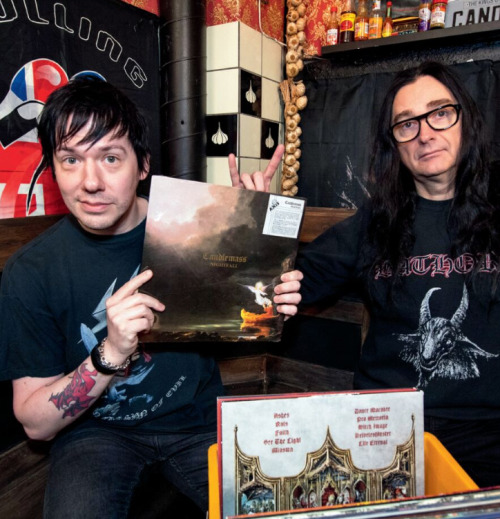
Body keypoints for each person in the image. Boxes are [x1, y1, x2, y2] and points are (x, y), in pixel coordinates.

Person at [0, 77, 302, 518]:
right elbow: (34, 423)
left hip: (199, 421)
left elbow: (248, 319)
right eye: (70, 159)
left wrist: (260, 253)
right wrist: (112, 351)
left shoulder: (193, 228)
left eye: (110, 157)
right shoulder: (32, 271)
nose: (91, 181)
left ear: (143, 166)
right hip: (95, 433)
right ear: (52, 169)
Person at [233, 61, 500, 489]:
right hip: (384, 430)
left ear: (464, 117)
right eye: (406, 124)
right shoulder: (377, 222)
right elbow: (285, 285)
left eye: (440, 113)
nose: (425, 133)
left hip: (486, 436)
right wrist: (262, 222)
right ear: (393, 143)